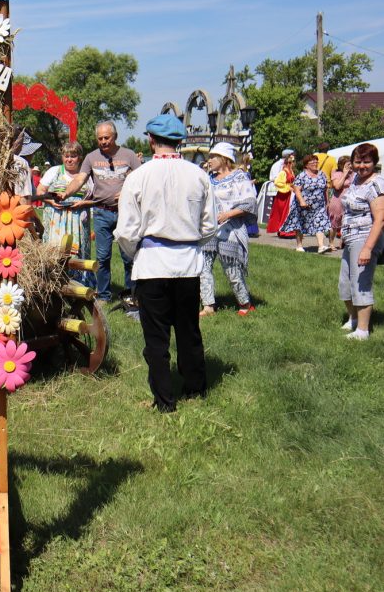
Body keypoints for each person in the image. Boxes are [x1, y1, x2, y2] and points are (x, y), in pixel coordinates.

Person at [114, 114, 216, 413]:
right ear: (180, 141)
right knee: (188, 329)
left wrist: (137, 254)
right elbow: (210, 225)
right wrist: (190, 243)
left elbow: (126, 231)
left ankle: (164, 401)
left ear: (150, 140)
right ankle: (195, 387)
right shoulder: (198, 175)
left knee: (156, 337)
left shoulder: (138, 176)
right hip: (187, 265)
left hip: (152, 264)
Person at [62, 121, 142, 308]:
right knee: (103, 256)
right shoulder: (91, 157)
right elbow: (80, 179)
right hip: (101, 212)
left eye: (107, 138)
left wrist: (127, 192)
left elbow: (142, 180)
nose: (104, 141)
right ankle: (104, 295)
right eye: (100, 139)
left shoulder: (129, 155)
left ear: (115, 136)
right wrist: (67, 192)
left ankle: (132, 294)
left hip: (126, 213)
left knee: (128, 256)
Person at [199, 142, 257, 317]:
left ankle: (245, 303)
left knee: (232, 270)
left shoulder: (239, 177)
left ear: (224, 159)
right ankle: (208, 306)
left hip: (230, 231)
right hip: (209, 230)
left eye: (212, 157)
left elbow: (249, 202)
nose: (209, 161)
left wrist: (228, 214)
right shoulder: (208, 179)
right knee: (203, 267)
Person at [337, 143, 384, 341]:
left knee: (360, 283)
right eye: (358, 161)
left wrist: (367, 248)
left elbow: (380, 218)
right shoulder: (356, 178)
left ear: (374, 162)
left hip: (365, 237)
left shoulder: (376, 184)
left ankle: (363, 331)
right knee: (344, 284)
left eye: (367, 162)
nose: (362, 166)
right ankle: (354, 318)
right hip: (350, 237)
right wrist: (344, 235)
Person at [37, 141, 93, 284]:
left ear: (79, 157)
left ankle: (79, 283)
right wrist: (51, 202)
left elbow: (94, 197)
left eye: (73, 156)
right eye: (66, 156)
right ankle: (53, 281)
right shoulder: (54, 171)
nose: (69, 159)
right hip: (56, 219)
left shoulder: (86, 174)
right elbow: (40, 191)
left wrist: (82, 204)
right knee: (55, 250)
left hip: (78, 220)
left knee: (78, 252)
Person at [280, 154, 332, 252]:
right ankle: (299, 246)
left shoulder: (322, 174)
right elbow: (297, 189)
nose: (315, 163)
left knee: (319, 222)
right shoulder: (302, 176)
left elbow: (325, 189)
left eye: (316, 161)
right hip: (303, 205)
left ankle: (321, 246)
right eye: (312, 162)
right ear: (306, 165)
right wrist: (302, 201)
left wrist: (327, 201)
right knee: (300, 224)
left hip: (319, 206)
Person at [266, 153, 296, 237]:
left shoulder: (291, 171)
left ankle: (287, 229)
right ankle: (283, 230)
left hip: (289, 195)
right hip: (284, 195)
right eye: (290, 163)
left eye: (292, 162)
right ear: (286, 163)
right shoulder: (283, 172)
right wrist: (287, 187)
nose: (292, 164)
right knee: (283, 212)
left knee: (288, 212)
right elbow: (277, 182)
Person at [328, 155, 351, 250]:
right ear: (342, 165)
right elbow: (337, 186)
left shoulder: (354, 174)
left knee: (348, 223)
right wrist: (345, 174)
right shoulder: (336, 174)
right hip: (338, 201)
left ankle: (344, 242)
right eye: (348, 164)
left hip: (349, 201)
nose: (350, 166)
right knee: (335, 223)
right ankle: (331, 243)